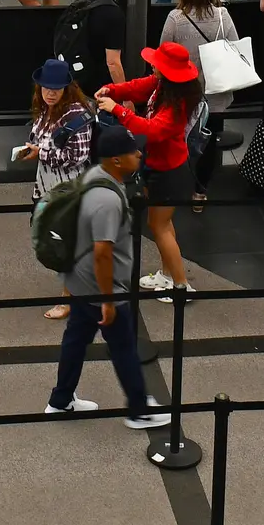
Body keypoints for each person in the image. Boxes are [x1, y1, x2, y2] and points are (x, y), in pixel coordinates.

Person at [45, 119, 171, 426]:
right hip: (100, 287)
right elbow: (103, 253)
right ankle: (139, 409)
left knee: (75, 340)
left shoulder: (95, 177)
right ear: (117, 160)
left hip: (78, 279)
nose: (139, 155)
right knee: (124, 346)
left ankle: (60, 401)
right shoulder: (108, 200)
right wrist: (108, 300)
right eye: (133, 152)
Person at [97, 42, 202, 296]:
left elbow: (151, 130)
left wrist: (118, 109)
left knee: (159, 226)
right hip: (161, 167)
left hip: (170, 173)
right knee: (162, 224)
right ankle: (167, 275)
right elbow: (136, 87)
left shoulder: (176, 106)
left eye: (157, 63)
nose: (152, 65)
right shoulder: (166, 87)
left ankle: (180, 287)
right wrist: (113, 89)